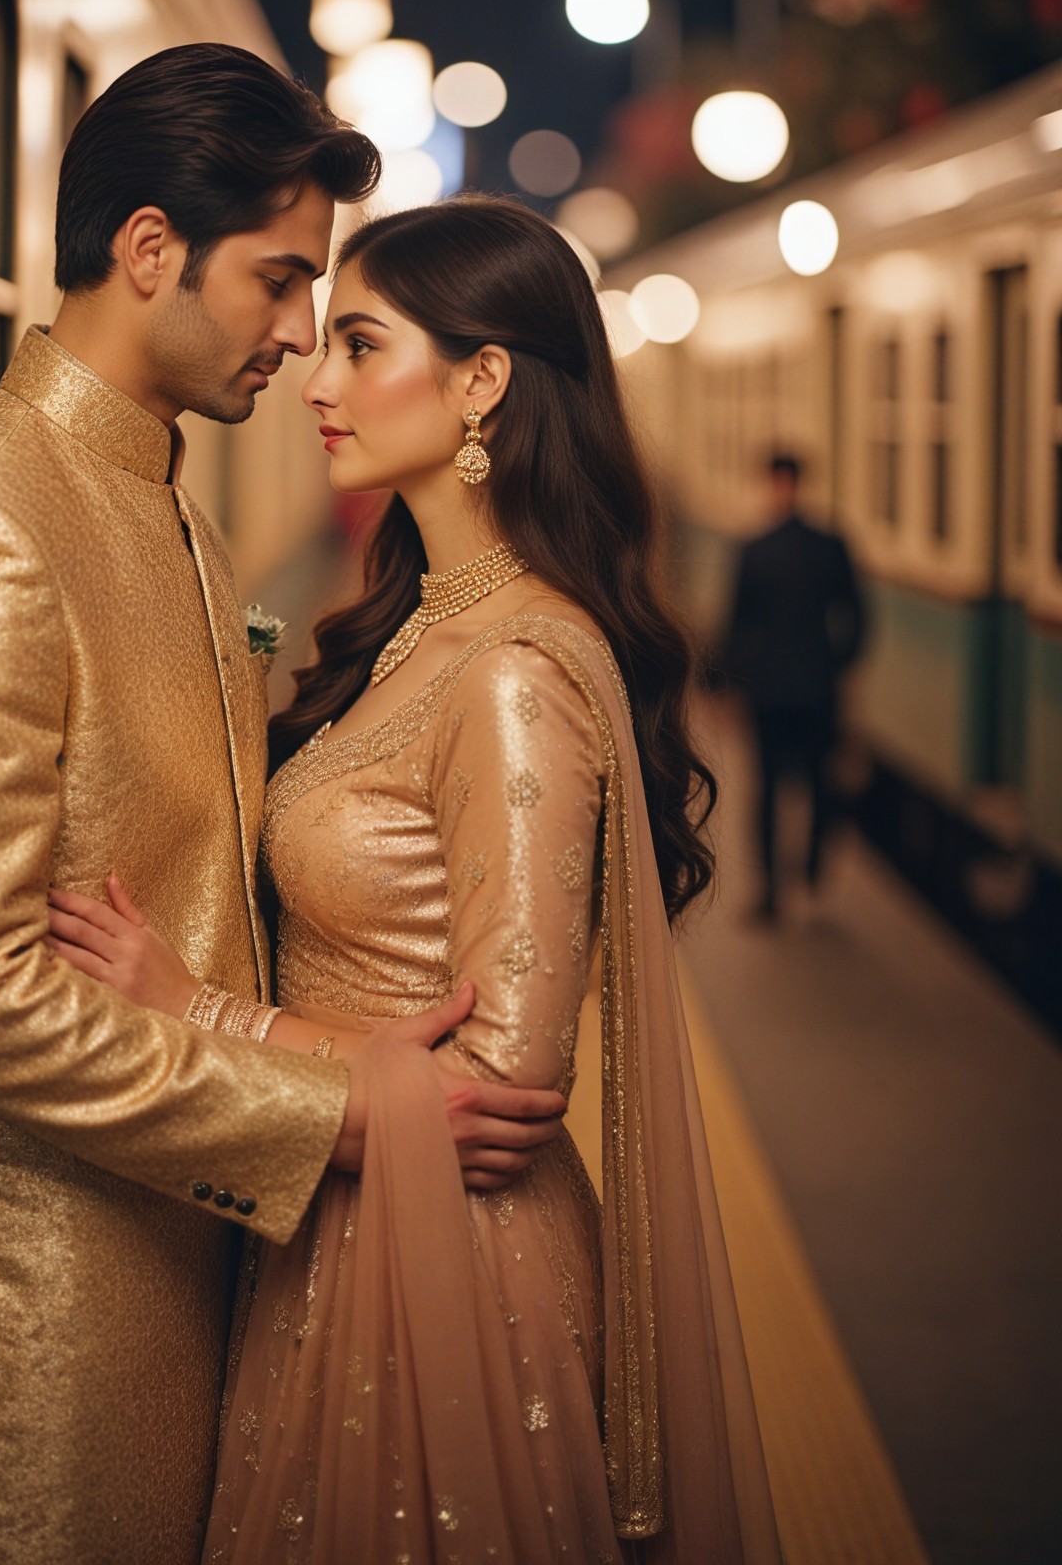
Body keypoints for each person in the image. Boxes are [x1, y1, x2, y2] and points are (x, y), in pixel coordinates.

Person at [0, 48, 568, 1565]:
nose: (303, 340)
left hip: (183, 1243)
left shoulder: (162, 499)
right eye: (280, 281)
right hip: (38, 1291)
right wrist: (338, 1103)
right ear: (151, 248)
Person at [56, 196, 782, 1562]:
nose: (315, 383)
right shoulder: (421, 624)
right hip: (351, 1224)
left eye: (359, 345)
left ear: (484, 379)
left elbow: (501, 1086)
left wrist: (191, 1008)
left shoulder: (513, 674)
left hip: (452, 1276)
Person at [722, 452, 866, 918]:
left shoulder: (754, 549)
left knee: (766, 789)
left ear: (773, 484)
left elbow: (737, 625)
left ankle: (770, 891)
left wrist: (735, 678)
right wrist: (836, 662)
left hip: (768, 689)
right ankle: (808, 874)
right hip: (817, 688)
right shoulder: (830, 546)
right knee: (819, 784)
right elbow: (858, 616)